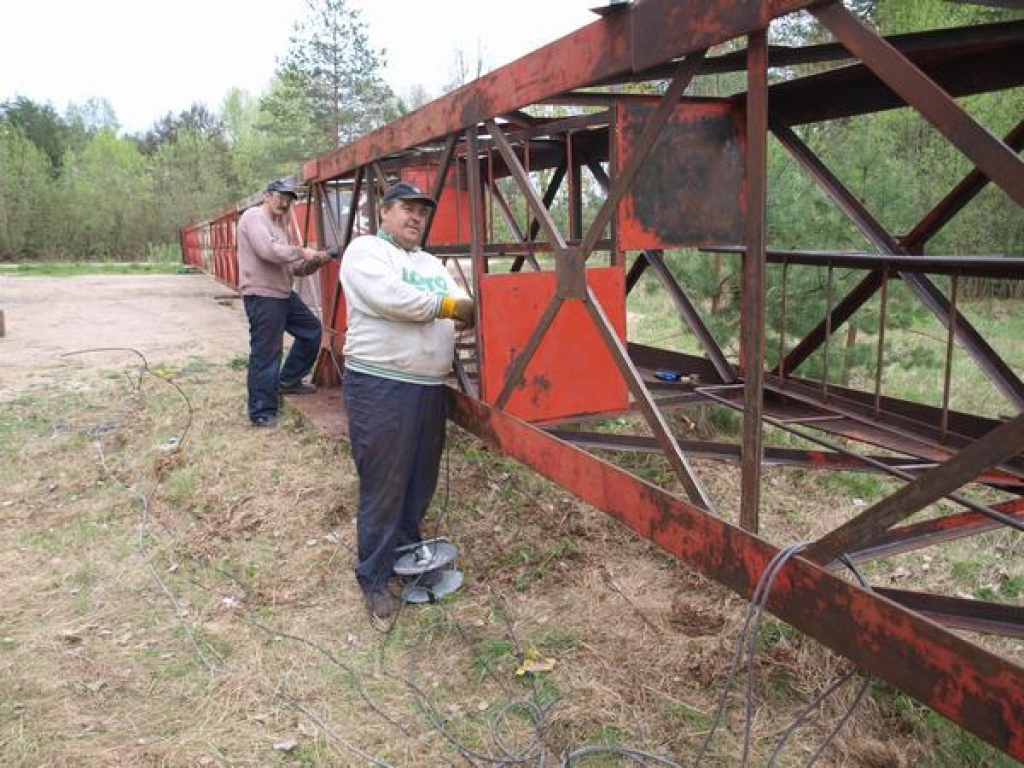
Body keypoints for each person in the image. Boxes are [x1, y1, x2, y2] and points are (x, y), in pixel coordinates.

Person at [340, 181, 474, 619]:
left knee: (418, 483)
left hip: (427, 387)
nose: (417, 217)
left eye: (422, 212)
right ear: (385, 212)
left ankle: (406, 558)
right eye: (407, 209)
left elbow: (462, 301)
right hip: (381, 385)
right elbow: (391, 299)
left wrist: (465, 310)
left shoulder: (432, 264)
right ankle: (374, 577)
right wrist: (451, 308)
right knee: (384, 484)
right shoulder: (366, 253)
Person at [237, 179, 332, 428]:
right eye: (281, 197)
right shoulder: (254, 217)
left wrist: (315, 261)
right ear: (267, 196)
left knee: (311, 331)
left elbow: (295, 268)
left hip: (281, 294)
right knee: (267, 352)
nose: (286, 203)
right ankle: (261, 412)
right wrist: (302, 251)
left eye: (290, 199)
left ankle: (288, 380)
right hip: (262, 295)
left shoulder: (279, 227)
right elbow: (267, 252)